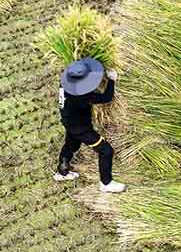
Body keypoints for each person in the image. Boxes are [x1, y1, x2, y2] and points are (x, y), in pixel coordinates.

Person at [53, 58, 126, 193]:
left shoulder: (65, 82)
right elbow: (106, 98)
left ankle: (62, 172)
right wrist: (111, 80)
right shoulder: (80, 96)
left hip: (68, 121)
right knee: (106, 150)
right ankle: (106, 183)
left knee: (71, 145)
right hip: (81, 128)